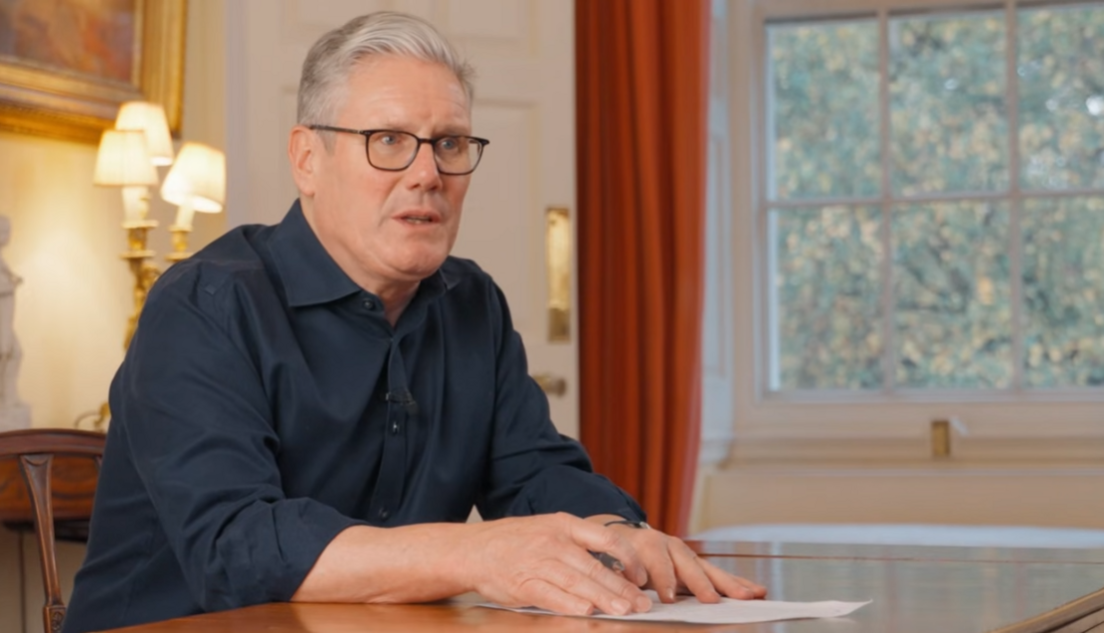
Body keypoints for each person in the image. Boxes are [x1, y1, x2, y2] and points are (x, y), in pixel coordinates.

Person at [63, 12, 764, 632]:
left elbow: (534, 472)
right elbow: (237, 545)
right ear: (308, 158)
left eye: (450, 143)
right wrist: (478, 552)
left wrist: (614, 532)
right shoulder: (204, 306)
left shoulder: (471, 302)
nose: (428, 172)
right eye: (389, 140)